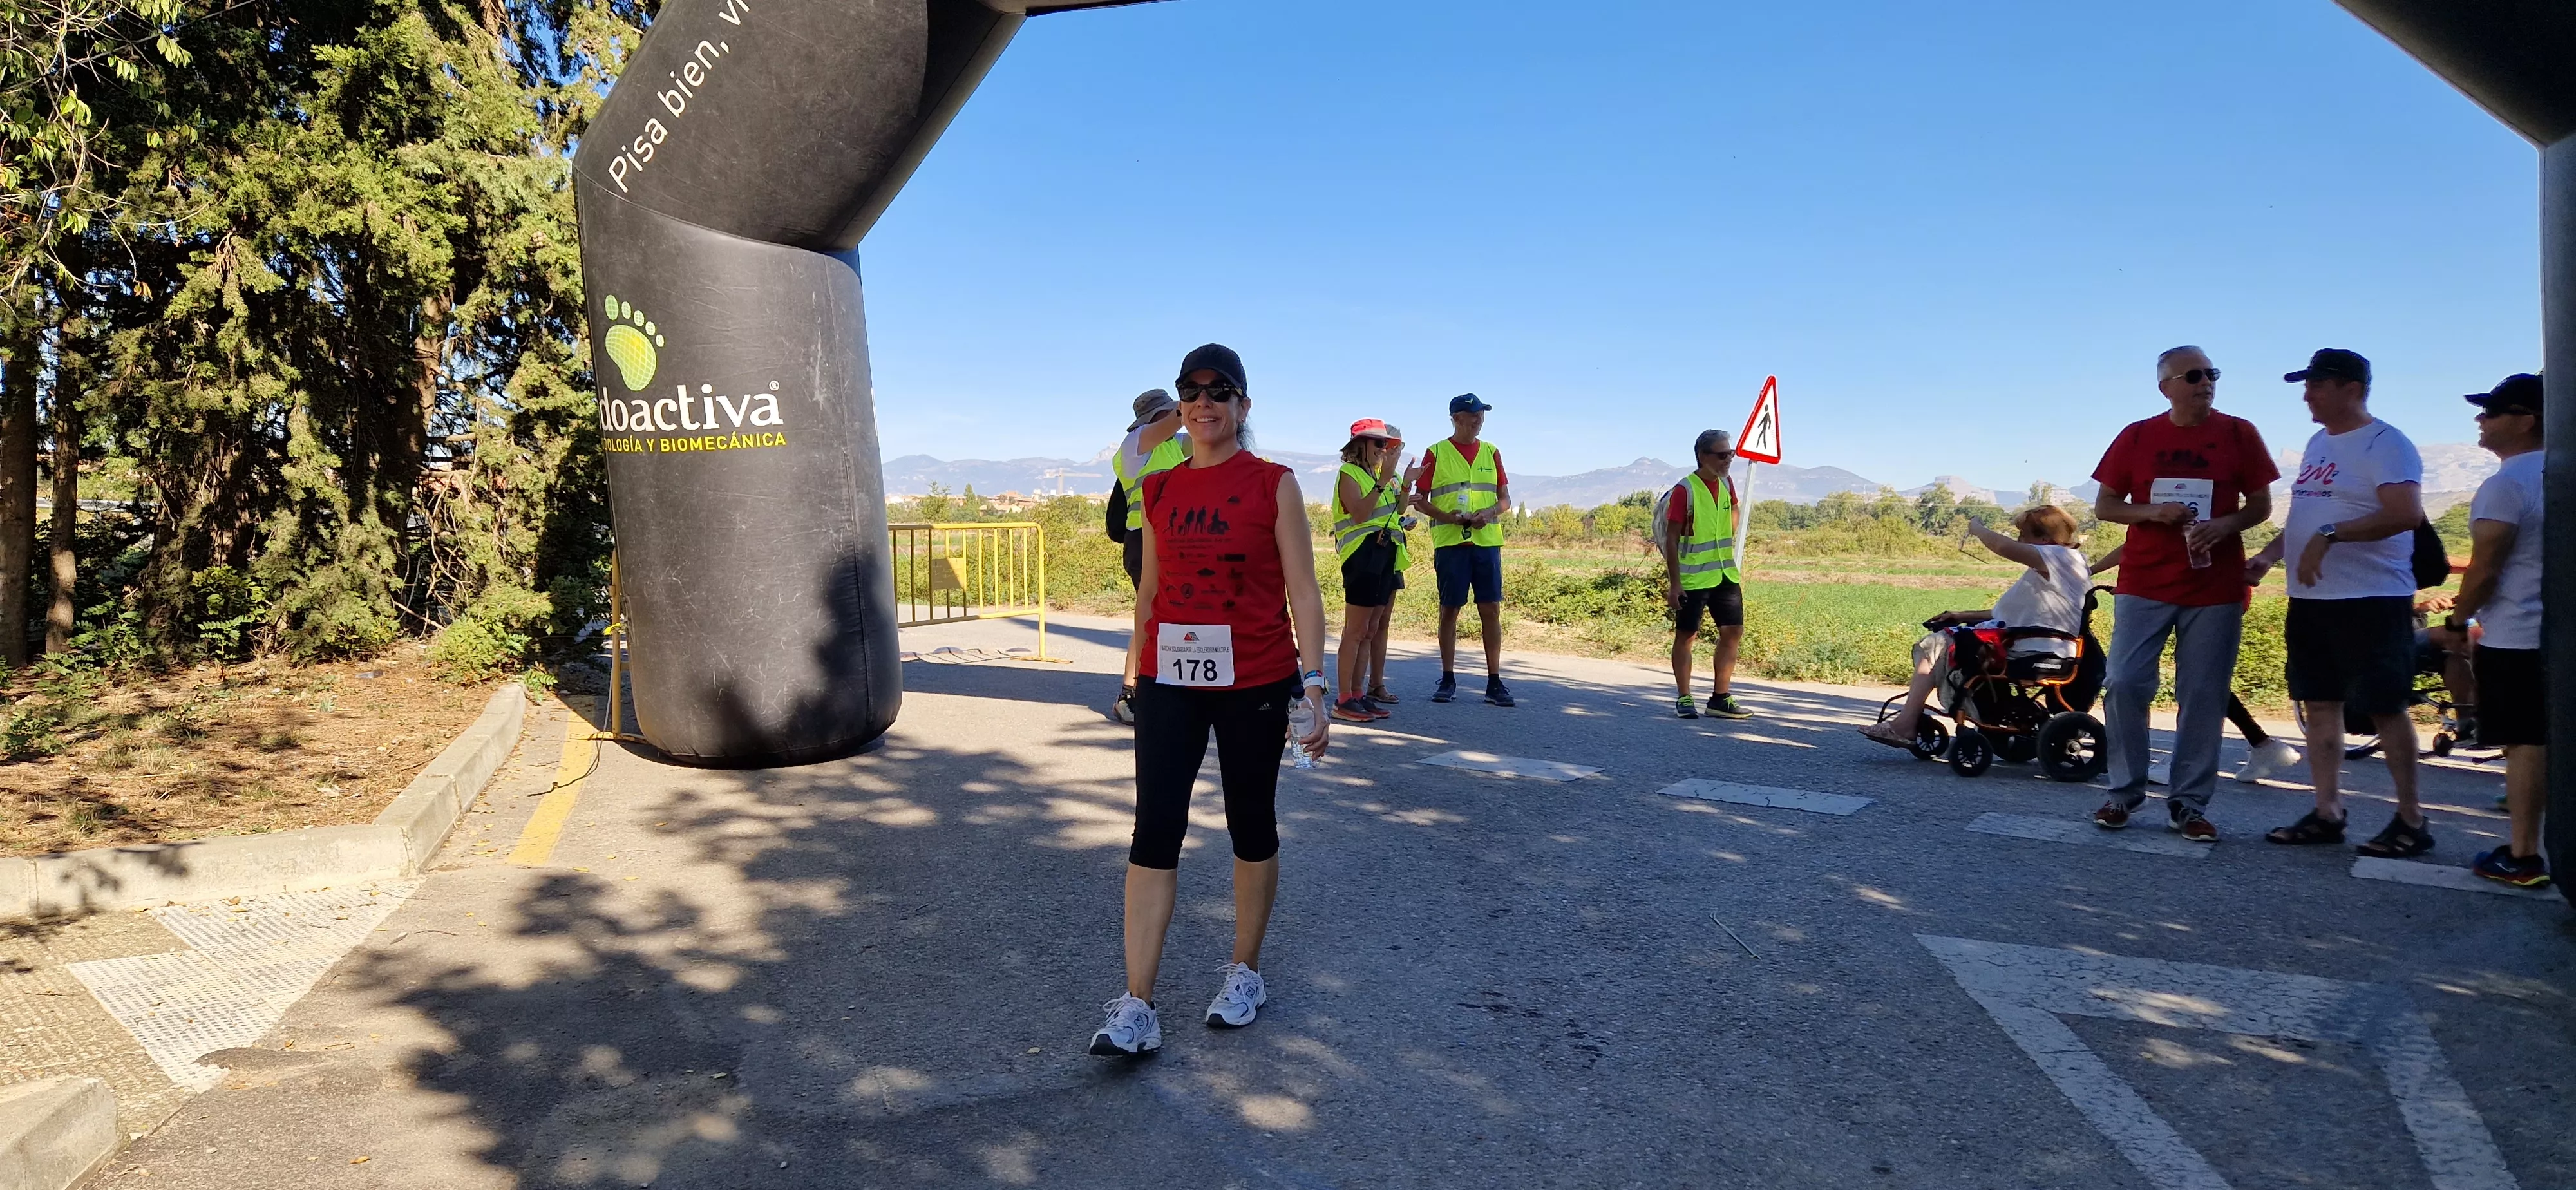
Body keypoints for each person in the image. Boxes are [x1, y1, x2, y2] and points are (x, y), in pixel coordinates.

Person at [1092, 343, 1332, 1058]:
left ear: (1242, 406)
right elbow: (1149, 592)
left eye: (1220, 391)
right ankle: (1137, 1005)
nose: (1205, 403)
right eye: (1191, 392)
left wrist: (1314, 687)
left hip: (1255, 679)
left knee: (1248, 822)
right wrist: (1135, 671)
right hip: (1170, 680)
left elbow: (1305, 591)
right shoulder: (1161, 489)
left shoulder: (1273, 484)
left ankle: (1244, 971)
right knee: (1153, 829)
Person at [2087, 346, 2277, 844]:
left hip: (2215, 587)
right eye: (2193, 375)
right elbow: (2106, 507)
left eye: (2212, 373)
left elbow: (2261, 506)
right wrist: (2152, 513)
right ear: (2165, 385)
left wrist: (2226, 525)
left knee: (2202, 695)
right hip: (2145, 582)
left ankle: (2189, 805)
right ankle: (2122, 795)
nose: (2205, 382)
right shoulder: (2138, 435)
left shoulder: (2240, 433)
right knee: (2125, 682)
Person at [2248, 348, 2433, 856]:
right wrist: (2267, 556)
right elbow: (2307, 515)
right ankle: (2328, 811)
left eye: (2317, 384)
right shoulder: (2317, 442)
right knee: (2320, 702)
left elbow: (2405, 514)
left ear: (2351, 387)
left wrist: (2330, 534)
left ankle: (2411, 820)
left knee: (2384, 707)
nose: (2306, 394)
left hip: (2372, 598)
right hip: (2313, 599)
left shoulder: (2385, 443)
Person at [2430, 373, 2547, 887]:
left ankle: (2522, 855)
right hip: (2558, 633)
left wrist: (2457, 622)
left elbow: (2484, 567)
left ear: (2527, 421)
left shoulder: (2508, 484)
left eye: (2493, 412)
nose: (2481, 419)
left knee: (2526, 743)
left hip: (2517, 634)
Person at [1860, 507, 2088, 749]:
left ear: (2045, 539)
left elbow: (2003, 547)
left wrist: (1977, 529)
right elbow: (2007, 615)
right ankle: (1935, 716)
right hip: (2025, 642)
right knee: (1944, 642)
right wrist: (1960, 615)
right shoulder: (2053, 566)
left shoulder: (2060, 558)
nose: (2020, 541)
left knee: (1935, 645)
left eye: (2023, 535)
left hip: (2037, 650)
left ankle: (1906, 723)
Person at [2087, 543, 2304, 784]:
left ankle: (2185, 762)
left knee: (2197, 677)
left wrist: (2092, 571)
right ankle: (2262, 744)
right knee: (2201, 677)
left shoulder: (2181, 515)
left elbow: (2135, 545)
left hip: (2202, 587)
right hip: (2212, 584)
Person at [1412, 393, 1513, 706]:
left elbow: (1505, 500)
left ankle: (1494, 682)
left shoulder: (1492, 452)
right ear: (1455, 418)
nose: (1478, 422)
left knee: (1490, 611)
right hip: (1451, 544)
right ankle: (1447, 678)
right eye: (1471, 417)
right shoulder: (1437, 452)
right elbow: (1420, 499)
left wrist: (1489, 514)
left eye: (1481, 416)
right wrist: (1447, 518)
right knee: (1450, 611)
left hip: (1486, 543)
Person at [1662, 429, 1752, 719]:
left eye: (1731, 454)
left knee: (1733, 632)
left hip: (1725, 574)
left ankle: (1720, 698)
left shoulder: (1727, 484)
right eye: (1722, 454)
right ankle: (1684, 697)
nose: (1729, 459)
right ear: (1703, 457)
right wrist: (1675, 585)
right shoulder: (1684, 490)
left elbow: (1734, 511)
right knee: (1687, 636)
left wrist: (1727, 533)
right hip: (1693, 578)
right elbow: (1671, 539)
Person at [1110, 388, 1186, 725]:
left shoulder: (1175, 445)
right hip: (1143, 540)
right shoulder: (1136, 444)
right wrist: (1201, 402)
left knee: (1168, 615)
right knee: (1151, 615)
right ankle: (1131, 693)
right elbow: (1178, 424)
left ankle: (1166, 687)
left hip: (1174, 540)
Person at [1329, 419, 1410, 722]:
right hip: (1362, 556)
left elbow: (1396, 511)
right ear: (1359, 445)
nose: (1384, 450)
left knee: (1370, 630)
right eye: (1379, 444)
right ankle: (1344, 698)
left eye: (1387, 445)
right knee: (1355, 631)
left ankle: (1359, 694)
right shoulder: (1349, 473)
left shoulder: (1380, 476)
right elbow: (1361, 514)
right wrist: (1383, 479)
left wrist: (1403, 482)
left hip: (1384, 553)